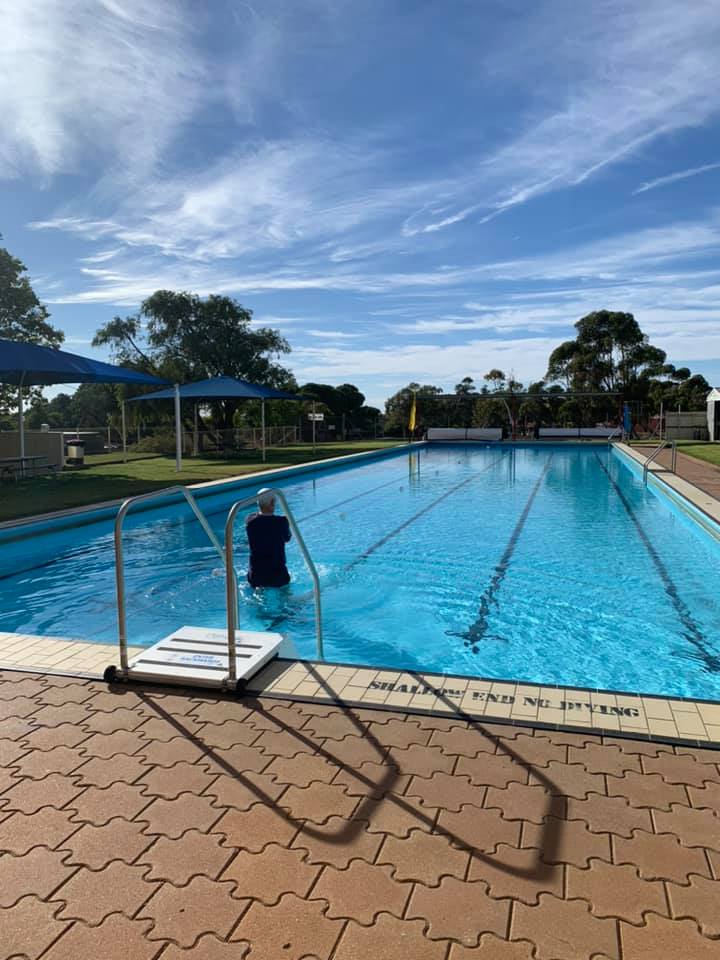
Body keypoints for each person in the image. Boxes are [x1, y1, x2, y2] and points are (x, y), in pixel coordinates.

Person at [246, 488, 292, 588]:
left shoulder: (250, 522)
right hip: (278, 575)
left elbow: (256, 516)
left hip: (256, 576)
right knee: (284, 596)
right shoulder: (282, 522)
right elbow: (287, 538)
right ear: (273, 503)